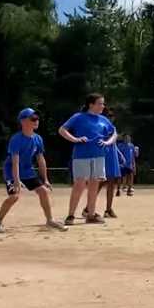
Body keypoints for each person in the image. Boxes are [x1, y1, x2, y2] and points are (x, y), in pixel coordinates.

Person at [0, 108, 68, 233]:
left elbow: (41, 159)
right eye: (33, 119)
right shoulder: (16, 139)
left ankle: (50, 220)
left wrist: (45, 179)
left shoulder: (38, 139)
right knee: (14, 196)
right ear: (23, 121)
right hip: (12, 171)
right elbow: (15, 161)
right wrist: (16, 180)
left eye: (37, 118)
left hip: (27, 171)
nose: (37, 121)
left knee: (43, 191)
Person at [58, 93, 115, 225]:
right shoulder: (79, 117)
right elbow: (62, 130)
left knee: (94, 184)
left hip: (99, 155)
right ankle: (70, 215)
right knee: (79, 184)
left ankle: (91, 214)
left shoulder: (103, 119)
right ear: (91, 104)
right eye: (100, 103)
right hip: (81, 155)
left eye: (103, 103)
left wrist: (108, 142)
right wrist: (75, 139)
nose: (103, 106)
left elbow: (114, 133)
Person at [98, 108, 123, 219]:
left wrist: (120, 154)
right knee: (100, 182)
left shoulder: (112, 128)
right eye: (109, 116)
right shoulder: (99, 126)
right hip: (104, 155)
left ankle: (108, 209)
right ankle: (88, 207)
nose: (111, 118)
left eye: (112, 116)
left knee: (111, 181)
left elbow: (113, 143)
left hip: (112, 155)